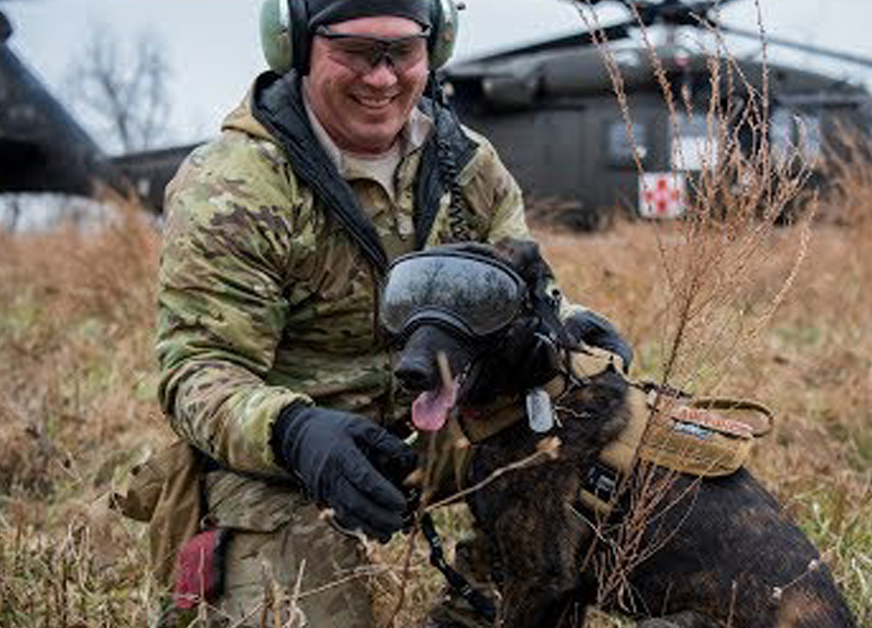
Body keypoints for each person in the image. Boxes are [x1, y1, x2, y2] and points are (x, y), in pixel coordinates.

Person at [143, 0, 627, 626]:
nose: (381, 78)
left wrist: (563, 324)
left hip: (437, 429)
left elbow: (509, 296)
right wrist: (294, 433)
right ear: (297, 49)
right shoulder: (234, 185)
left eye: (402, 52)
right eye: (354, 52)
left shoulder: (467, 166)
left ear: (436, 49)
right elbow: (197, 373)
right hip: (287, 459)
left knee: (595, 424)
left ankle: (493, 598)